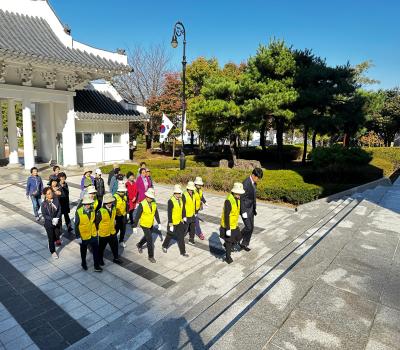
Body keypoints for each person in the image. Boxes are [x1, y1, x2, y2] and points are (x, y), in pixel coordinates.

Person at [74, 195, 102, 272]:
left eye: (89, 203)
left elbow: (94, 221)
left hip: (93, 234)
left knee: (96, 250)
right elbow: (76, 225)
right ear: (83, 204)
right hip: (83, 235)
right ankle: (83, 262)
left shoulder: (92, 210)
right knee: (83, 251)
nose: (88, 205)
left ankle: (96, 266)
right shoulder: (79, 212)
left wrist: (97, 230)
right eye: (86, 204)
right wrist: (78, 237)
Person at [133, 188, 161, 263]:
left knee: (146, 237)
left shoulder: (154, 203)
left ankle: (139, 244)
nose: (150, 199)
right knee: (149, 239)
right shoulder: (142, 204)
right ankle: (151, 256)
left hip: (150, 223)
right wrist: (134, 226)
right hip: (144, 224)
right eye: (149, 197)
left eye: (152, 198)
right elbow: (137, 215)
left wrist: (159, 223)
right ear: (146, 196)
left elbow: (156, 214)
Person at [220, 182, 245, 264]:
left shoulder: (237, 198)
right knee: (229, 241)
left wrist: (243, 213)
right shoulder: (228, 201)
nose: (239, 195)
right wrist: (227, 229)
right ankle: (227, 257)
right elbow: (226, 216)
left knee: (239, 237)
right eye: (238, 194)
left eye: (240, 194)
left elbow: (238, 208)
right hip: (227, 225)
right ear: (234, 192)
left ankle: (227, 245)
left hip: (234, 224)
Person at [240, 168, 263, 252]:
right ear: (253, 175)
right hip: (245, 209)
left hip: (251, 209)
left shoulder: (253, 182)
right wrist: (243, 212)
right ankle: (233, 240)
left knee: (251, 227)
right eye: (258, 178)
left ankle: (244, 243)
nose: (258, 180)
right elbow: (241, 199)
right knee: (248, 227)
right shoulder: (245, 184)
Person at [162, 185, 188, 257]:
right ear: (175, 193)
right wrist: (170, 224)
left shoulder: (180, 199)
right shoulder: (170, 201)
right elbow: (169, 213)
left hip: (180, 221)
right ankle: (164, 246)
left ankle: (183, 252)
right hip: (173, 222)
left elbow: (183, 209)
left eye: (180, 193)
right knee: (170, 235)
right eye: (179, 193)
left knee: (181, 237)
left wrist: (184, 217)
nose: (180, 194)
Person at [96, 193, 122, 266]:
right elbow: (96, 223)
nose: (110, 203)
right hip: (103, 234)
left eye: (111, 202)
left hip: (112, 232)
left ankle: (116, 258)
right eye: (109, 202)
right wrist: (97, 232)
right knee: (101, 248)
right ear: (106, 202)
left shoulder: (114, 208)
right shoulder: (100, 211)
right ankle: (100, 259)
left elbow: (114, 217)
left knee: (115, 246)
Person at [40, 187, 62, 259]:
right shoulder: (44, 204)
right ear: (45, 195)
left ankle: (54, 242)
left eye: (51, 192)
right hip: (49, 223)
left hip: (56, 221)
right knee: (51, 237)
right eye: (48, 194)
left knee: (57, 234)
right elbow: (44, 214)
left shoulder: (56, 200)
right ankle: (53, 251)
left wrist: (57, 218)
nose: (50, 194)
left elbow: (59, 210)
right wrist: (52, 219)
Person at [182, 181, 197, 245]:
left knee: (193, 227)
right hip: (186, 215)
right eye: (190, 189)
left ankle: (191, 239)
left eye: (192, 189)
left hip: (192, 214)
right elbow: (182, 207)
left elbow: (194, 203)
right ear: (187, 189)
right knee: (185, 228)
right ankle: (180, 237)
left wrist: (195, 212)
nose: (191, 191)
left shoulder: (193, 194)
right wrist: (184, 216)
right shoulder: (184, 195)